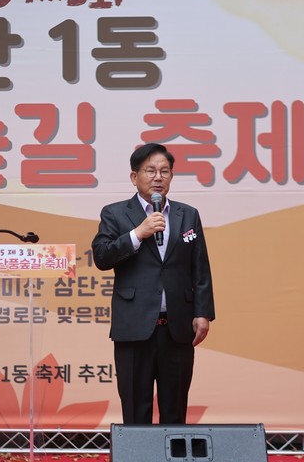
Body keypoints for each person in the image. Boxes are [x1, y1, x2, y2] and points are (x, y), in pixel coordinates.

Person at [91, 142, 215, 425]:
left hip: (177, 328)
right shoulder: (115, 213)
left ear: (171, 176)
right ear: (134, 177)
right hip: (134, 328)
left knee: (175, 411)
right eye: (150, 171)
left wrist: (203, 312)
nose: (158, 177)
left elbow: (200, 267)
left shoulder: (188, 214)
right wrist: (138, 233)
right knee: (136, 411)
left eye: (164, 171)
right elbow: (101, 257)